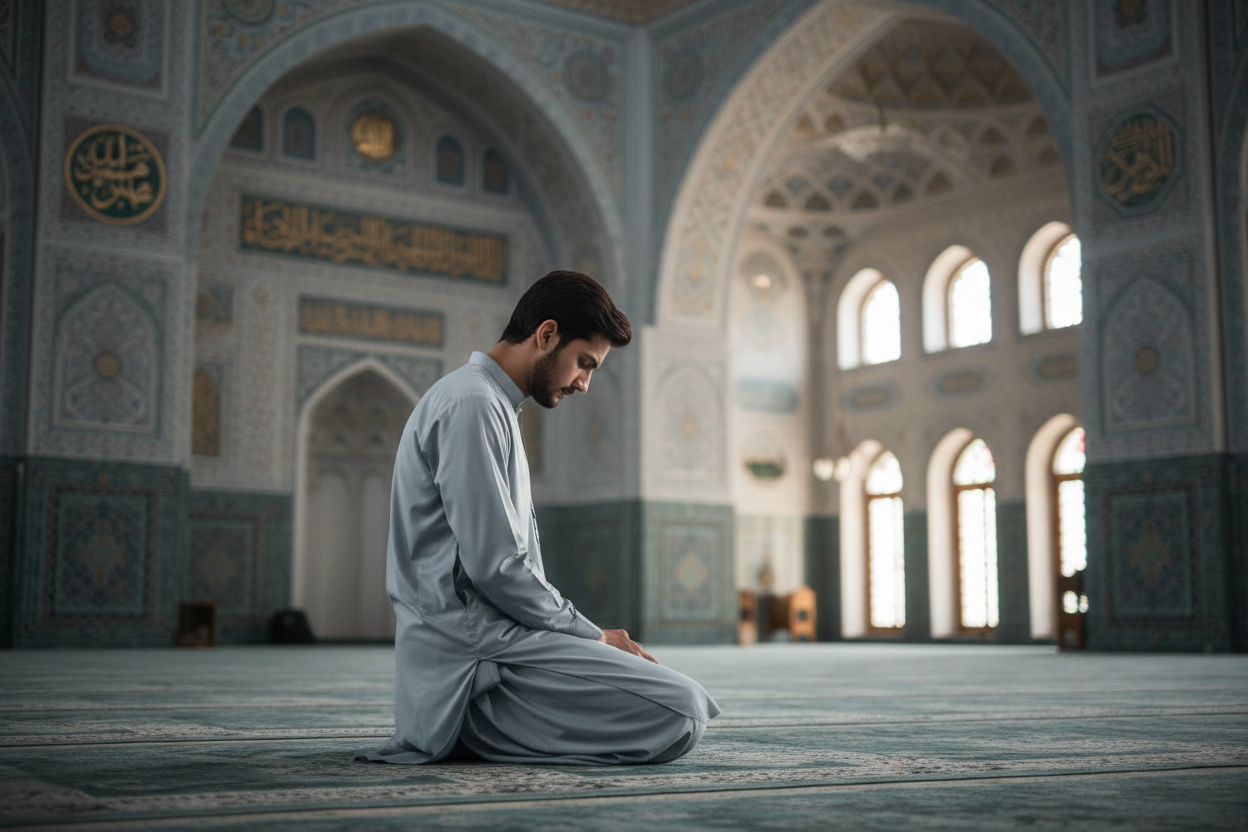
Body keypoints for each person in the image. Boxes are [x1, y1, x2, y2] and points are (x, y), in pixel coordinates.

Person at [358, 271, 720, 765]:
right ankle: (467, 725)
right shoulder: (473, 405)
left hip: (497, 645)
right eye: (584, 364)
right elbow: (497, 567)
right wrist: (595, 636)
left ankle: (489, 726)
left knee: (685, 707)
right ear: (546, 334)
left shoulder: (492, 404)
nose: (585, 384)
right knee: (681, 710)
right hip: (473, 659)